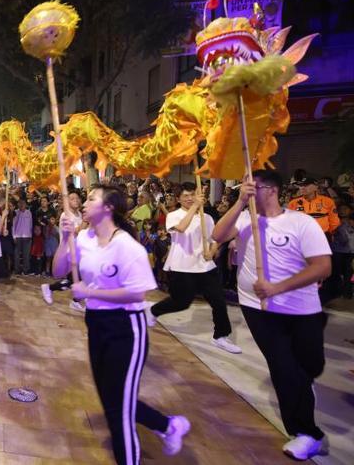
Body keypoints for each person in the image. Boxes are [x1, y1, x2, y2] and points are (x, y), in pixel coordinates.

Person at [53, 185, 190, 464]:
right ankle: (168, 426)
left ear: (108, 207)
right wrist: (65, 237)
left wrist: (89, 292)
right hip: (97, 323)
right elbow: (57, 271)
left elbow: (137, 293)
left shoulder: (127, 246)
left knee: (118, 409)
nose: (84, 202)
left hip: (127, 328)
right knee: (112, 398)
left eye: (91, 198)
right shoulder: (84, 238)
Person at [212, 170, 332, 461]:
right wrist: (240, 202)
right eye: (245, 185)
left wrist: (278, 287)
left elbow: (322, 267)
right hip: (259, 309)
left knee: (310, 366)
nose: (248, 188)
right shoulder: (244, 220)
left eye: (254, 185)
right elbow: (217, 235)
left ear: (273, 190)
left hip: (302, 309)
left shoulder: (300, 222)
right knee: (283, 369)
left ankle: (304, 382)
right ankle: (307, 434)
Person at [146, 182, 242, 354]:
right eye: (186, 196)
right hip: (182, 266)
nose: (190, 198)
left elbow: (215, 239)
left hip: (205, 266)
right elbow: (181, 228)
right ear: (179, 199)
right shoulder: (174, 216)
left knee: (218, 301)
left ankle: (221, 336)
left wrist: (212, 252)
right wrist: (195, 207)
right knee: (181, 302)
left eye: (193, 194)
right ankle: (153, 310)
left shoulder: (207, 218)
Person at [11, 198, 33, 275]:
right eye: (20, 203)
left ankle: (26, 270)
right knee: (16, 255)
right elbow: (13, 225)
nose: (21, 205)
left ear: (26, 204)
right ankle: (17, 270)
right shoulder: (15, 213)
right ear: (18, 204)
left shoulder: (29, 213)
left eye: (23, 203)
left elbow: (31, 224)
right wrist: (13, 236)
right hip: (18, 236)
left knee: (26, 255)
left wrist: (30, 235)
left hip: (27, 236)